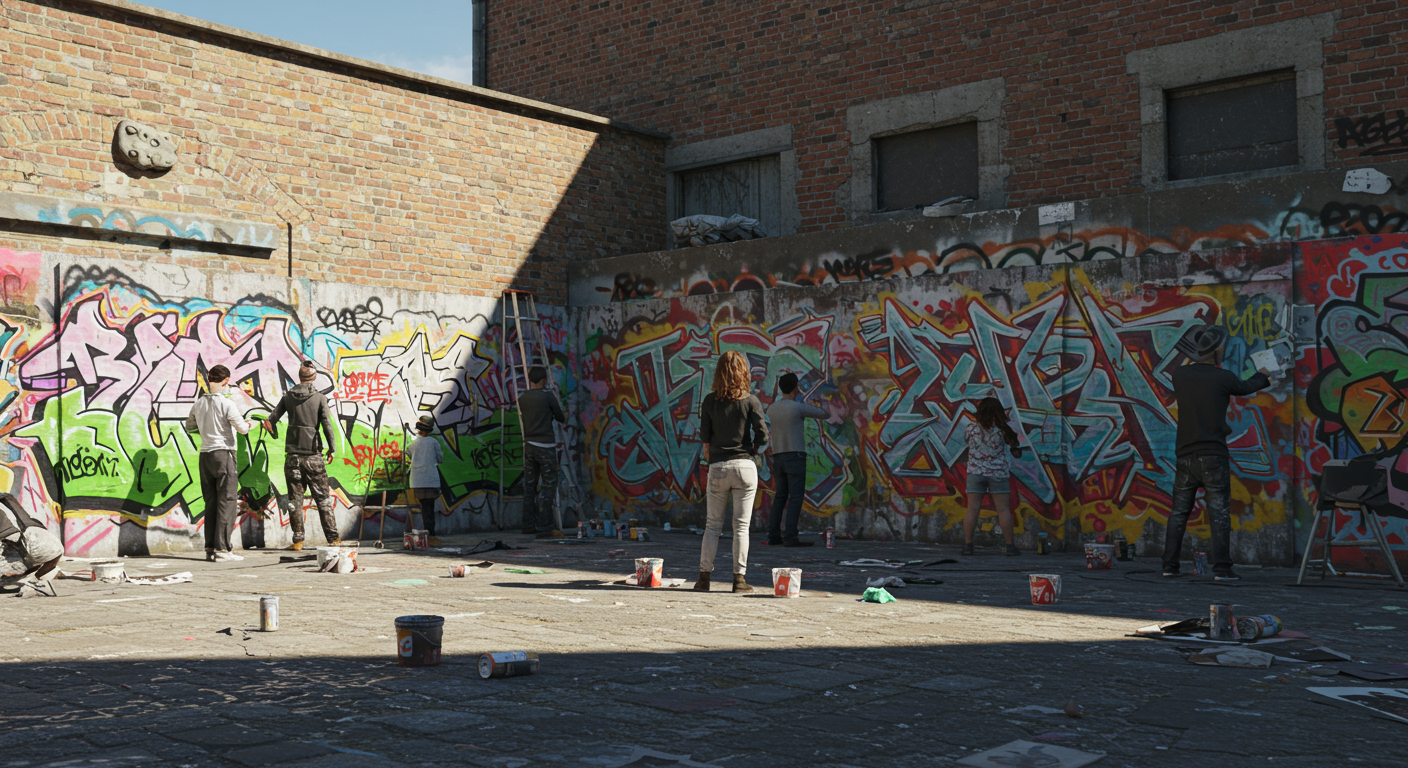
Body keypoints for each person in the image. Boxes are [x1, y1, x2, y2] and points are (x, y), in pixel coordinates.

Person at [1163, 325, 1273, 581]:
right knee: (1219, 513)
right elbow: (1246, 387)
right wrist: (1263, 374)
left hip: (1185, 455)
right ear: (1216, 350)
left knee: (1179, 512)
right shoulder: (1222, 378)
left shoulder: (1180, 375)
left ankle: (1169, 566)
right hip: (1212, 454)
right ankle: (1222, 569)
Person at [695, 350, 769, 593]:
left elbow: (705, 440)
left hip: (718, 466)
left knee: (712, 525)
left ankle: (704, 578)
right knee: (741, 527)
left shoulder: (709, 401)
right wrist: (754, 450)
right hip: (744, 466)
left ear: (718, 373)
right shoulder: (751, 401)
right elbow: (763, 435)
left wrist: (711, 457)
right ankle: (739, 580)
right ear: (743, 373)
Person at [261, 361, 338, 550]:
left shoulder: (288, 397)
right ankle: (333, 539)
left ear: (300, 376)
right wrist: (332, 448)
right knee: (323, 499)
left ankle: (298, 541)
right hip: (313, 456)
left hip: (293, 457)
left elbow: (270, 422)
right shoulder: (319, 398)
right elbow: (327, 424)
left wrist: (273, 433)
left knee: (295, 500)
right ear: (314, 377)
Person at [184, 364, 252, 562]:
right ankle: (223, 549)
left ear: (209, 378)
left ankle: (210, 547)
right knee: (227, 502)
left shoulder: (199, 403)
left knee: (211, 502)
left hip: (205, 456)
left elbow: (190, 427)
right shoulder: (227, 404)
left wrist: (207, 430)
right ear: (226, 381)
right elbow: (242, 429)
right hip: (224, 454)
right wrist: (248, 423)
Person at [766, 372, 828, 547]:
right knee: (795, 497)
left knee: (780, 496)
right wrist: (817, 400)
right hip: (795, 456)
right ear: (795, 388)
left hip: (778, 456)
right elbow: (824, 414)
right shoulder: (797, 408)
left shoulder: (772, 409)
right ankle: (790, 536)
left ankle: (773, 535)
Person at [961, 396, 1021, 556]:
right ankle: (1010, 546)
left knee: (972, 509)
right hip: (997, 473)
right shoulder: (1003, 430)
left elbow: (967, 442)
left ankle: (968, 545)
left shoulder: (970, 429)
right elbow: (1015, 449)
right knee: (1003, 510)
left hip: (975, 473)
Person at [517, 366, 566, 538]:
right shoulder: (548, 397)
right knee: (549, 485)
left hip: (529, 445)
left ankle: (527, 524)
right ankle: (545, 525)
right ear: (544, 380)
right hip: (545, 445)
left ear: (530, 380)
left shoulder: (522, 398)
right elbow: (560, 417)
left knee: (529, 486)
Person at [0, 493, 64, 593]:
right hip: (50, 541)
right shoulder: (8, 499)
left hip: (24, 537)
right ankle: (33, 580)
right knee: (36, 560)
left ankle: (29, 578)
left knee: (20, 559)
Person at [406, 413, 444, 546]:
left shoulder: (412, 444)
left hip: (417, 480)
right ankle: (431, 534)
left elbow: (408, 455)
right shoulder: (434, 442)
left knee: (424, 508)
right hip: (431, 480)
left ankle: (427, 534)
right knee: (430, 508)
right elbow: (440, 459)